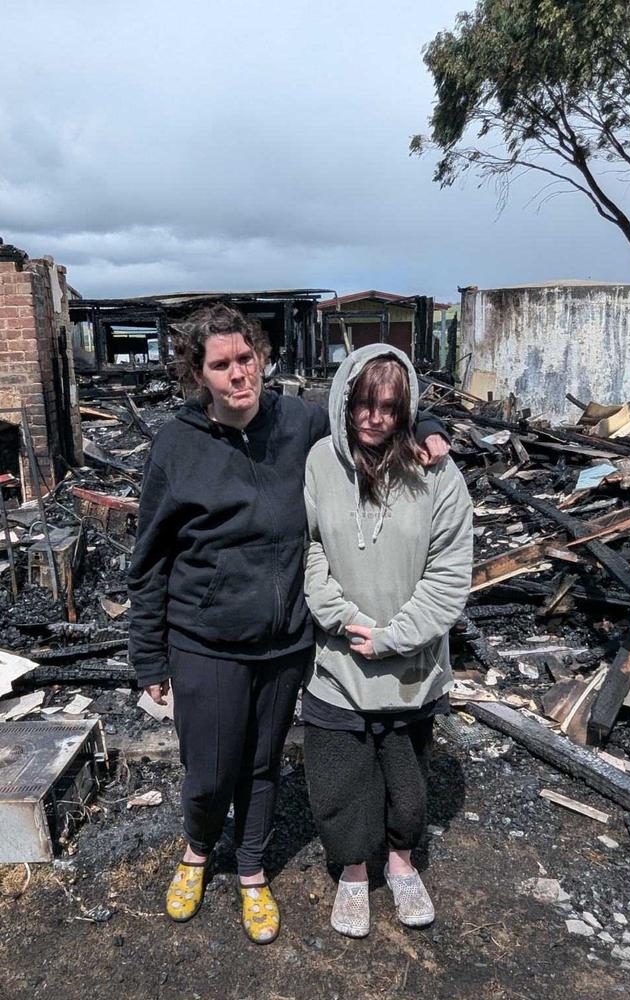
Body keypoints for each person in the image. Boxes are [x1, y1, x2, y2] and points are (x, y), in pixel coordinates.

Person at [127, 304, 450, 944]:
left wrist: (429, 423)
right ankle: (196, 850)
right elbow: (150, 559)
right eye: (220, 365)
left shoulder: (298, 420)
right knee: (210, 767)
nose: (238, 374)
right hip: (205, 638)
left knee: (264, 763)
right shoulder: (177, 443)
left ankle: (251, 870)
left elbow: (368, 418)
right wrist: (149, 658)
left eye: (245, 358)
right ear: (199, 373)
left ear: (261, 356)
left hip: (284, 642)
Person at [302, 344, 473, 939]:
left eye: (390, 407)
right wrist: (340, 616)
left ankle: (401, 861)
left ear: (407, 410)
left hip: (410, 666)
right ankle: (353, 871)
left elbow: (450, 570)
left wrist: (395, 637)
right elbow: (310, 545)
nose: (374, 418)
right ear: (345, 401)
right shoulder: (322, 460)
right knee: (337, 775)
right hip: (337, 658)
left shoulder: (436, 472)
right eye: (364, 404)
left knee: (406, 781)